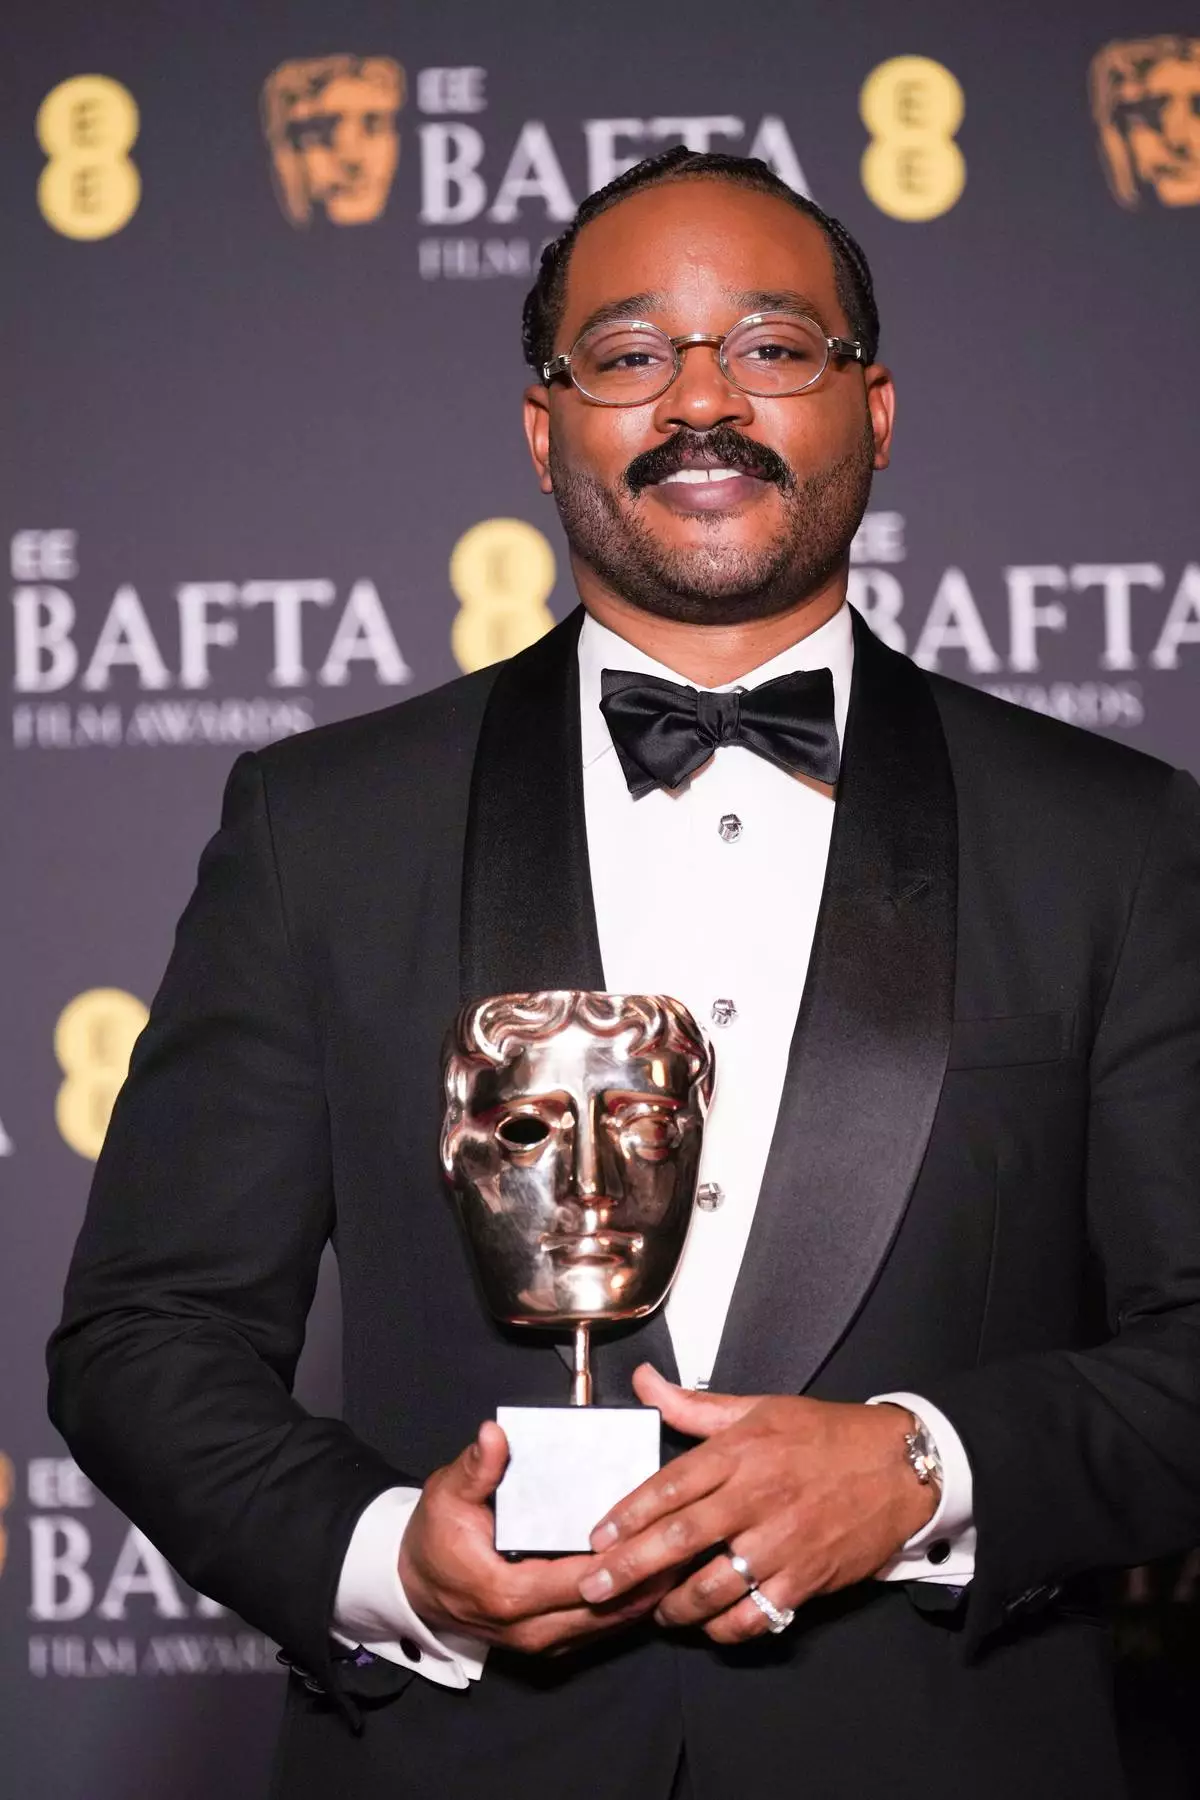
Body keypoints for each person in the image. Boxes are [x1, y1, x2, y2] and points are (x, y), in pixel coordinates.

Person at [48, 148, 1200, 1799]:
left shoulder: (1115, 838)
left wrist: (924, 1467)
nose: (702, 400)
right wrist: (390, 1557)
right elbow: (146, 1333)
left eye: (774, 346)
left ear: (875, 409)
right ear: (544, 427)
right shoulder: (325, 825)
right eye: (631, 353)